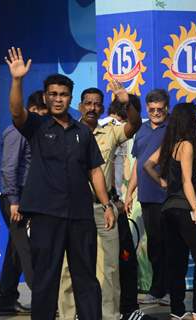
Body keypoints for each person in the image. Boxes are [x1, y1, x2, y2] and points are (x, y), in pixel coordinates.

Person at [4, 47, 115, 320]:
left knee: (86, 278)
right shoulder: (37, 126)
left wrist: (107, 204)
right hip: (46, 215)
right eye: (52, 94)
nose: (57, 99)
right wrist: (17, 80)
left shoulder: (83, 133)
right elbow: (17, 112)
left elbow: (95, 172)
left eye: (63, 94)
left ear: (70, 98)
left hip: (80, 216)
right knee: (46, 279)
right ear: (45, 97)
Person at [58, 83, 156, 320]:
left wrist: (127, 102)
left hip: (103, 209)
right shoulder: (66, 131)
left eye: (96, 104)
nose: (92, 108)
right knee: (68, 269)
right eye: (88, 103)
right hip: (71, 209)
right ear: (80, 106)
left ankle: (109, 315)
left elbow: (134, 125)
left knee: (109, 269)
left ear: (102, 108)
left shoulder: (110, 131)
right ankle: (68, 316)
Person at [144, 103, 196, 320]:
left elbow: (147, 165)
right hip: (184, 210)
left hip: (168, 211)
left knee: (176, 264)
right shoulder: (187, 145)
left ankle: (177, 312)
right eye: (195, 118)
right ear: (189, 121)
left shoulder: (170, 144)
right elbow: (187, 181)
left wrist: (162, 181)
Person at [0, 90, 48, 316]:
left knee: (15, 253)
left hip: (30, 197)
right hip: (16, 199)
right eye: (40, 113)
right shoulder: (16, 132)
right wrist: (14, 201)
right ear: (31, 110)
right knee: (27, 253)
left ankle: (6, 301)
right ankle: (43, 303)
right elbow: (8, 168)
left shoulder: (38, 133)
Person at [124, 89, 170, 305]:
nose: (155, 113)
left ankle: (169, 290)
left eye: (159, 109)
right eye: (151, 109)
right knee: (154, 244)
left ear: (166, 108)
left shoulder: (172, 129)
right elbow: (137, 164)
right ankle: (157, 289)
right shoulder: (141, 129)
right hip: (148, 197)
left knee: (168, 244)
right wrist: (129, 192)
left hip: (168, 197)